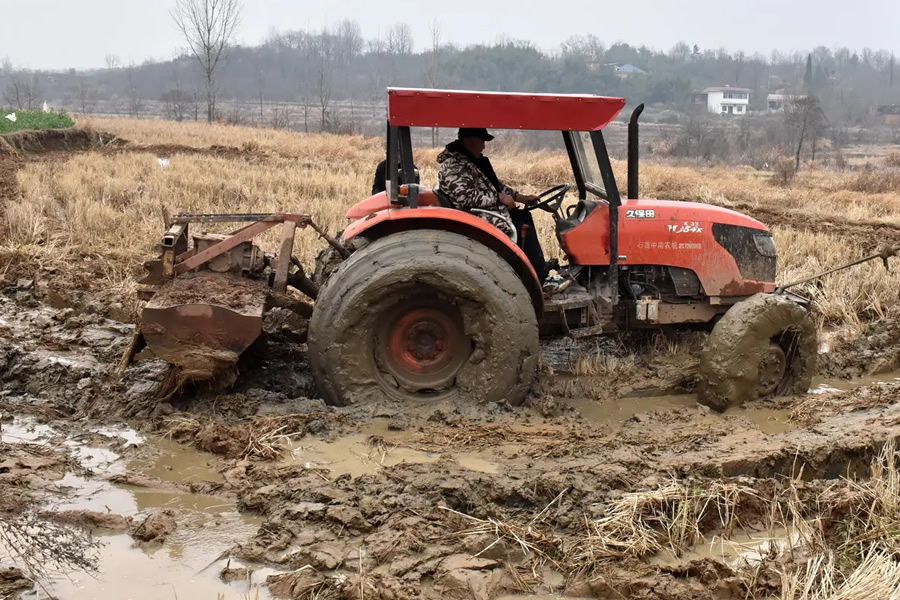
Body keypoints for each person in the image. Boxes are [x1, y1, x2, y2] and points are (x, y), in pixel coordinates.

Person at [437, 127, 560, 289]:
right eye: (481, 141)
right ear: (467, 139)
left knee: (524, 216)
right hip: (473, 219)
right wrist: (498, 198)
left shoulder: (472, 161)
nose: (483, 146)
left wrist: (520, 197)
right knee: (523, 228)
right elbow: (463, 197)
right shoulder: (455, 165)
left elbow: (495, 186)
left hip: (482, 214)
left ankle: (538, 269)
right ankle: (539, 283)